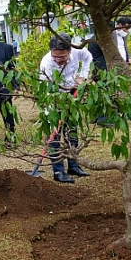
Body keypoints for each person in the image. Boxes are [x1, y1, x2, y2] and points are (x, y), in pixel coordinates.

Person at [39, 37, 93, 183]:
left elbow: (88, 57)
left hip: (72, 94)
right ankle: (58, 172)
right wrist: (52, 118)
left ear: (70, 51)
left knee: (72, 132)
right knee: (54, 137)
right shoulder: (46, 63)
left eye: (62, 57)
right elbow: (46, 92)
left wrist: (83, 76)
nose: (58, 60)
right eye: (55, 56)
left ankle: (73, 166)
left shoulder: (78, 51)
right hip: (54, 98)